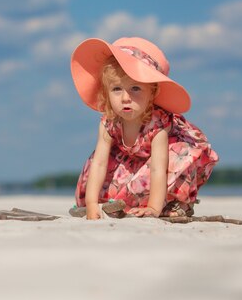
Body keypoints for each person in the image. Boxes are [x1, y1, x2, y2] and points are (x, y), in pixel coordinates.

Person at [70, 36, 219, 220]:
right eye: (117, 89)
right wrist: (91, 204)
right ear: (106, 93)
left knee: (179, 156)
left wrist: (153, 208)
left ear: (152, 92)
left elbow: (158, 168)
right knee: (96, 162)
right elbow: (99, 164)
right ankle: (114, 203)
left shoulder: (157, 124)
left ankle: (173, 203)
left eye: (135, 89)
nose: (125, 98)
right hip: (130, 166)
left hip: (159, 169)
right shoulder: (108, 123)